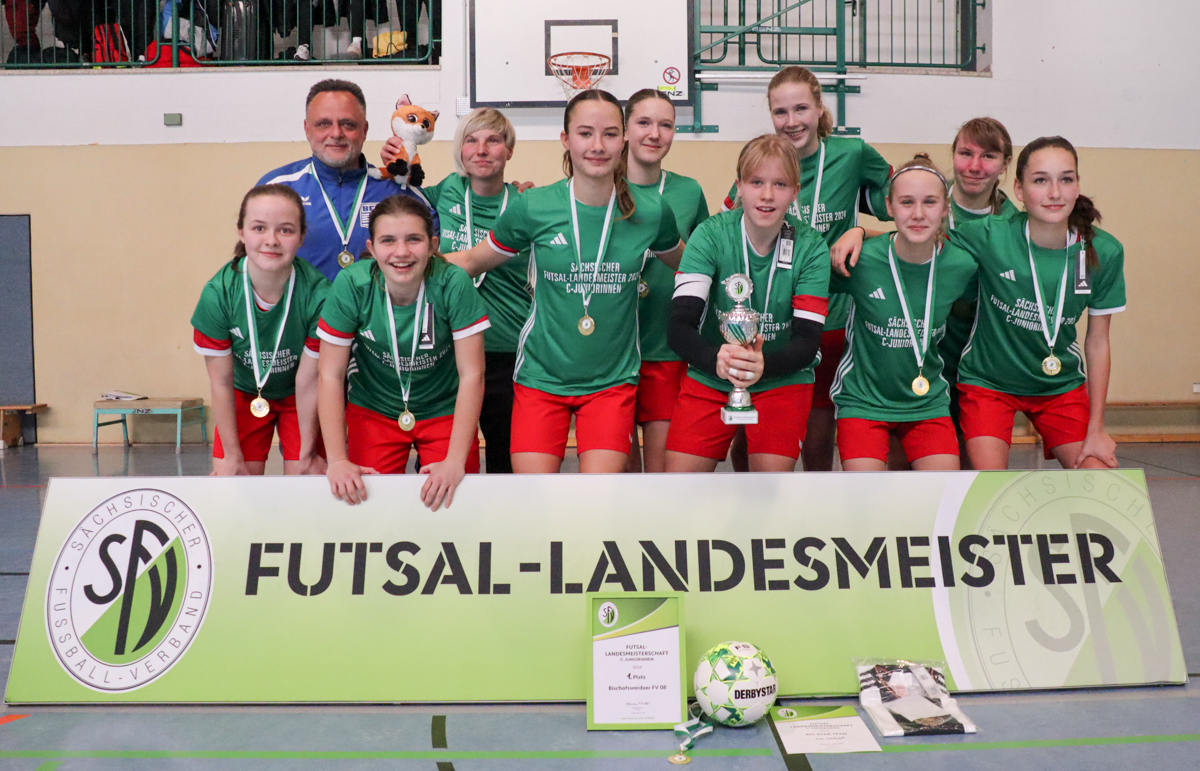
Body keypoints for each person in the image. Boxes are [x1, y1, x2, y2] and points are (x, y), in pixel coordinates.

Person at [445, 89, 684, 474]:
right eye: (585, 133)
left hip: (611, 382)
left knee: (597, 496)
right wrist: (405, 264)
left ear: (624, 139)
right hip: (540, 378)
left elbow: (689, 266)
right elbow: (473, 260)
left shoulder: (651, 211)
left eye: (609, 134)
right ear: (566, 139)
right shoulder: (533, 206)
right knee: (535, 499)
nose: (598, 145)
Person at [722, 66, 892, 471]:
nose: (791, 121)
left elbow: (906, 206)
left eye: (801, 108)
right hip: (770, 320)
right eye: (780, 112)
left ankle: (816, 505)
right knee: (748, 435)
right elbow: (730, 223)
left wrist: (861, 231)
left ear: (819, 108)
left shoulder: (852, 154)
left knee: (818, 439)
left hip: (830, 316)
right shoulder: (762, 162)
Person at [834, 117, 1018, 466]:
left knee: (956, 471)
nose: (975, 166)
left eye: (989, 156)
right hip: (897, 373)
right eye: (966, 153)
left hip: (965, 366)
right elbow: (903, 243)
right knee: (895, 474)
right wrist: (859, 232)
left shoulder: (1003, 229)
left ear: (1005, 164)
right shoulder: (922, 199)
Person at [948, 136, 1125, 470]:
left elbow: (1098, 341)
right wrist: (859, 234)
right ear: (1019, 189)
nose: (1054, 193)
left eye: (1065, 180)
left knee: (1100, 480)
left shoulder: (1104, 251)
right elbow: (920, 242)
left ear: (1077, 186)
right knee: (990, 487)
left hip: (1059, 386)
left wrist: (1097, 427)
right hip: (988, 383)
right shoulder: (989, 234)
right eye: (1041, 181)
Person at [665, 134, 829, 473]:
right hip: (713, 372)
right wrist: (716, 360)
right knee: (678, 488)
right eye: (756, 182)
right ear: (739, 186)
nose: (767, 195)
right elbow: (679, 326)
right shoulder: (710, 235)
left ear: (795, 191)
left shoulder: (811, 246)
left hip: (782, 378)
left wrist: (762, 366)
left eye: (780, 184)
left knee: (767, 489)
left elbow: (807, 341)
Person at [317, 195, 487, 510]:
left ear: (433, 245)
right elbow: (330, 374)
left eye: (413, 239)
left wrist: (454, 460)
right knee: (364, 502)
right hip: (374, 408)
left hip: (443, 408)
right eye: (388, 240)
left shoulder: (453, 283)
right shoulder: (352, 284)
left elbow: (472, 374)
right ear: (371, 248)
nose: (401, 252)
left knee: (455, 500)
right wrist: (337, 460)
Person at [828, 156, 976, 471]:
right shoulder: (860, 260)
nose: (918, 213)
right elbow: (802, 279)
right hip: (863, 401)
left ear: (946, 207)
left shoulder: (961, 265)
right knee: (866, 495)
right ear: (890, 206)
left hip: (927, 403)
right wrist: (858, 232)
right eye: (907, 202)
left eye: (930, 202)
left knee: (943, 493)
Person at [191, 184, 329, 476]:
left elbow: (309, 381)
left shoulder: (319, 295)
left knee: (306, 479)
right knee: (234, 481)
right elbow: (221, 382)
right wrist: (231, 455)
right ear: (241, 232)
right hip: (243, 393)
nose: (272, 240)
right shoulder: (218, 295)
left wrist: (306, 452)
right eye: (259, 228)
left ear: (302, 236)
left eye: (286, 230)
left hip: (298, 395)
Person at [420, 108, 529, 474]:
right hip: (447, 351)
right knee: (444, 463)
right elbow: (395, 199)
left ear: (509, 150)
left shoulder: (527, 205)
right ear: (460, 150)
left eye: (493, 140)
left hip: (508, 350)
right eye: (471, 140)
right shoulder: (445, 191)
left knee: (506, 463)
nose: (481, 150)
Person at [258, 79, 437, 281]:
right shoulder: (276, 189)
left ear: (364, 130)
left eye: (347, 124)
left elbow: (438, 255)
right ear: (307, 130)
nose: (336, 134)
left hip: (377, 303)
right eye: (324, 124)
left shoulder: (398, 190)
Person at [623, 88, 710, 473]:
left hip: (665, 349)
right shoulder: (598, 186)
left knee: (661, 478)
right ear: (625, 129)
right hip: (611, 353)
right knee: (619, 480)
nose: (654, 134)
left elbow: (704, 265)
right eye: (643, 122)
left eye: (666, 125)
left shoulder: (688, 191)